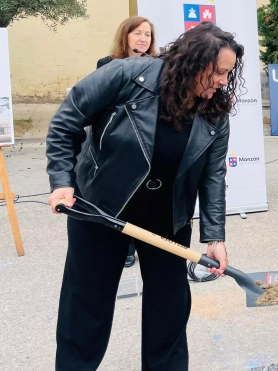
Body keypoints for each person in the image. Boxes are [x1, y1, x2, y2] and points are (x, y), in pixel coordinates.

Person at [46, 22, 243, 370]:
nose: (223, 81)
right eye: (218, 72)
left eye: (228, 73)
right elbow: (67, 120)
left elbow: (213, 175)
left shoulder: (215, 110)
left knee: (169, 311)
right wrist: (62, 179)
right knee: (87, 308)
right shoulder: (125, 75)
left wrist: (214, 236)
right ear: (193, 63)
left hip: (167, 220)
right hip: (101, 210)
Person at [97, 16, 158, 267]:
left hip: (146, 139)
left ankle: (137, 244)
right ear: (125, 36)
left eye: (148, 35)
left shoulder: (158, 65)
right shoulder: (107, 64)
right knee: (119, 192)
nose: (143, 39)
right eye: (137, 34)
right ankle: (122, 246)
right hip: (117, 138)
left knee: (141, 196)